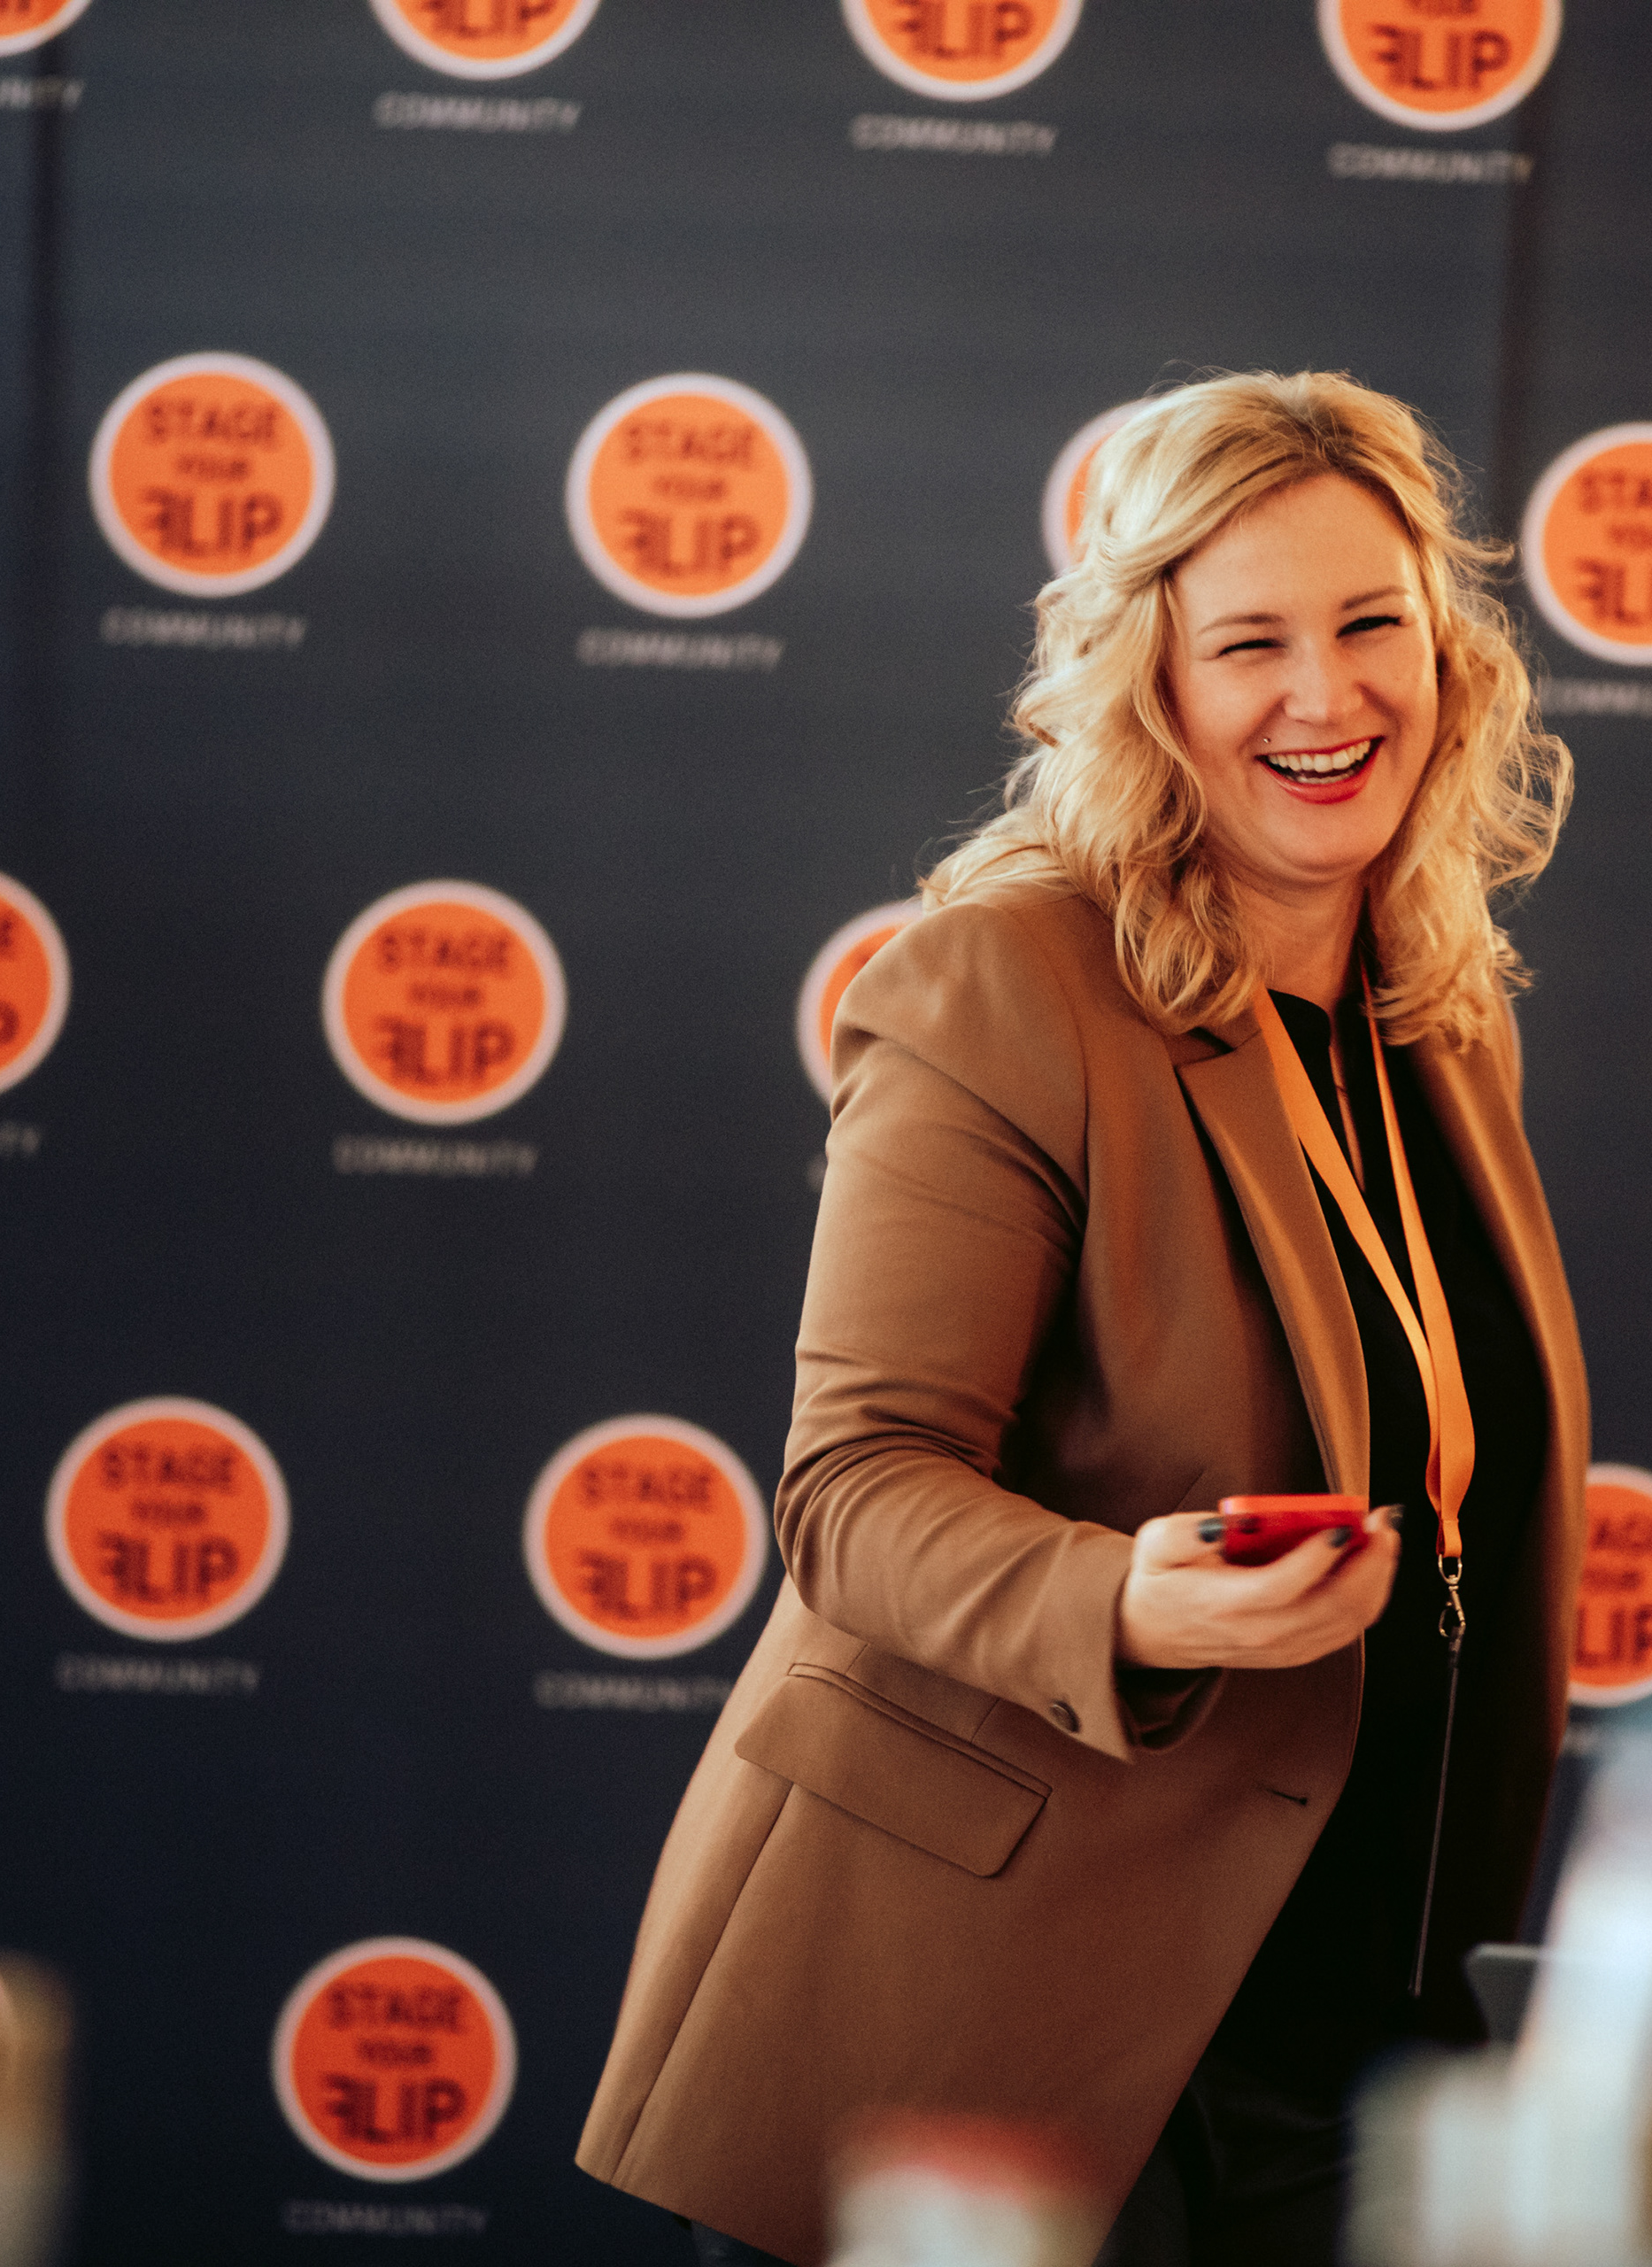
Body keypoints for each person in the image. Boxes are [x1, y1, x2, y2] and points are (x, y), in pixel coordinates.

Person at [577, 370, 1588, 2267]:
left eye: (1373, 625)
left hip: (1356, 2033)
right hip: (1006, 2026)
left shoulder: (1441, 1015)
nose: (1326, 696)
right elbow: (854, 1490)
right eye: (1251, 643)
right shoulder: (1002, 982)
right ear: (1152, 681)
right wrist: (1127, 1601)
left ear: (1447, 658)